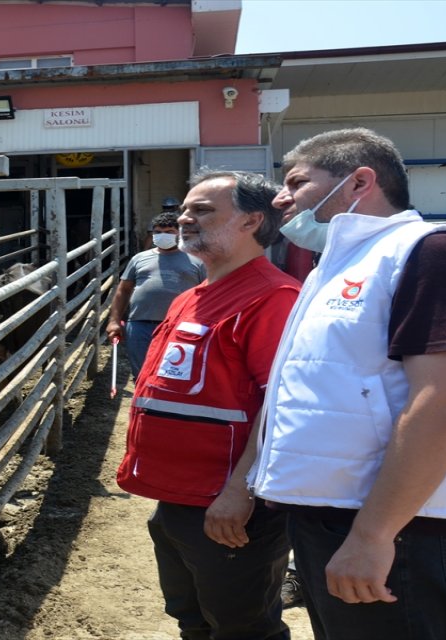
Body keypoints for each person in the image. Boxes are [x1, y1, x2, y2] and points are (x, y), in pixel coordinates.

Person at [250, 128, 446, 640]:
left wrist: (373, 534)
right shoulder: (341, 264)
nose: (281, 197)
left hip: (402, 529)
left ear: (360, 182)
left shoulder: (432, 252)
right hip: (340, 516)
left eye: (297, 182)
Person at [117, 170, 301, 640]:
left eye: (202, 210)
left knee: (244, 628)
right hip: (179, 499)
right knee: (192, 618)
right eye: (184, 209)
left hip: (230, 509)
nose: (184, 218)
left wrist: (241, 492)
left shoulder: (273, 299)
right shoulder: (194, 297)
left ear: (252, 221)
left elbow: (282, 405)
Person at [106, 212, 206, 378]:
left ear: (179, 233)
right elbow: (123, 290)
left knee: (174, 373)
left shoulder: (197, 260)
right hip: (140, 325)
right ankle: (145, 404)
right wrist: (114, 321)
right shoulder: (139, 259)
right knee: (142, 373)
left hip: (179, 326)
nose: (162, 236)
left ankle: (167, 403)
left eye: (168, 232)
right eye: (158, 232)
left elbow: (207, 293)